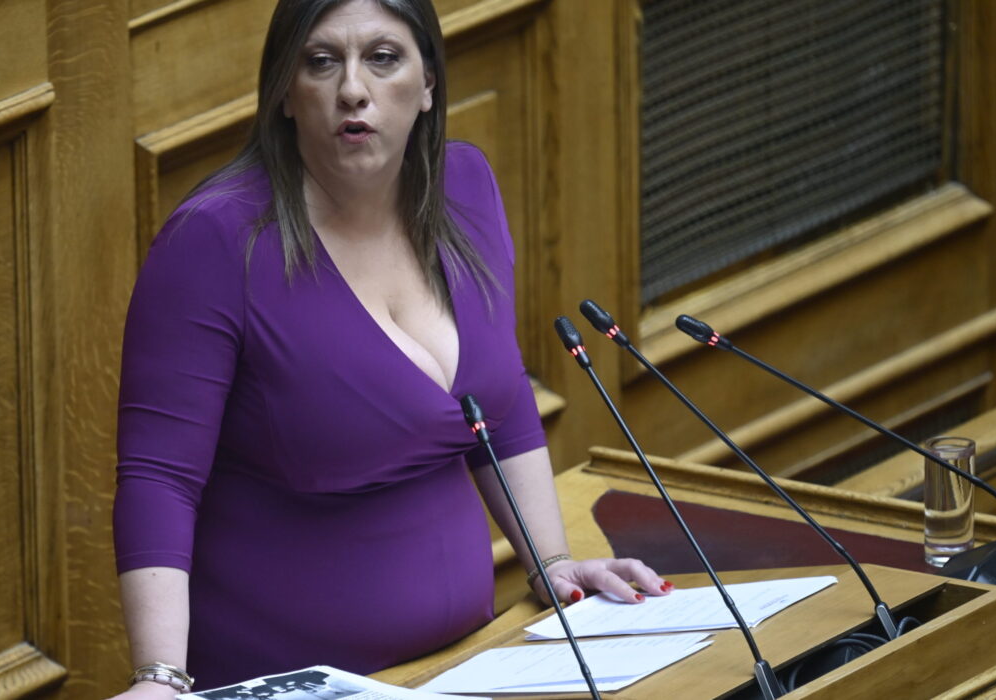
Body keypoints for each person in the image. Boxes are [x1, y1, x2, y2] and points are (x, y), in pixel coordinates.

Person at [110, 1, 672, 697]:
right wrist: (160, 677)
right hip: (297, 681)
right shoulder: (215, 242)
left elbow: (496, 407)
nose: (353, 88)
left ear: (428, 82)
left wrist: (551, 563)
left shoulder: (466, 188)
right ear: (285, 91)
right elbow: (159, 477)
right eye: (322, 62)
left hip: (472, 665)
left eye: (383, 58)